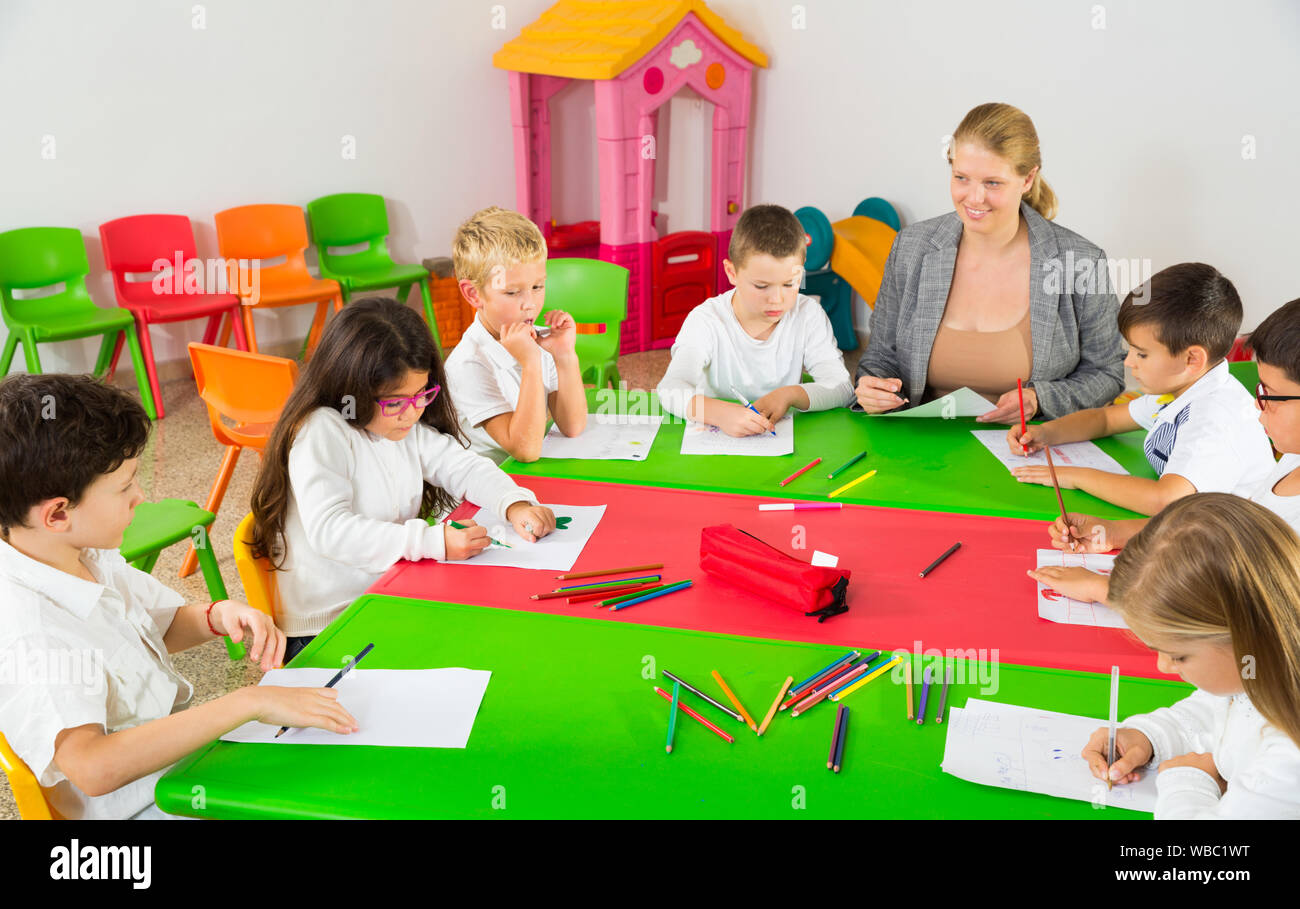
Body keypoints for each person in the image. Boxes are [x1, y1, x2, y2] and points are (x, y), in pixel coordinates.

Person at [0, 374, 356, 819]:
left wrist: (216, 616)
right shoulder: (33, 631)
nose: (140, 496)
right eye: (125, 485)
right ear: (57, 513)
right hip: (144, 808)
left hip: (180, 771)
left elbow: (157, 625)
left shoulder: (83, 554)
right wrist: (246, 702)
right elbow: (92, 766)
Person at [250, 298, 554, 661]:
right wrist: (430, 541)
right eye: (395, 402)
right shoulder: (322, 431)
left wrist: (513, 502)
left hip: (388, 593)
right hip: (329, 628)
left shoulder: (401, 425)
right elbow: (332, 531)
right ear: (352, 390)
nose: (412, 413)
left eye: (422, 394)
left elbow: (463, 466)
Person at [854, 102, 1124, 421]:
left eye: (992, 183)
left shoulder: (1080, 261)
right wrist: (875, 390)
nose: (974, 197)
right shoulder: (912, 248)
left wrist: (1040, 399)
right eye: (961, 177)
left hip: (1027, 449)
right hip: (923, 449)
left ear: (1027, 180)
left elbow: (1107, 374)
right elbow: (880, 358)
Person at [1083, 494, 1300, 819]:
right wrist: (1148, 736)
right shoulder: (1259, 666)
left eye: (1178, 656)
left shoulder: (1288, 759)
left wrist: (1188, 780)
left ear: (1243, 636)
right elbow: (1220, 709)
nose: (1163, 666)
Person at [1010, 263, 1274, 516]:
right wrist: (1046, 433)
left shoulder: (1214, 417)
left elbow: (1165, 500)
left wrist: (1074, 475)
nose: (1128, 362)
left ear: (1192, 359)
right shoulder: (1181, 388)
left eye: (1142, 354)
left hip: (1238, 543)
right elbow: (1106, 419)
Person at [657, 203, 853, 435]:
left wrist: (791, 394)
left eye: (790, 284)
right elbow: (670, 389)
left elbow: (842, 387)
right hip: (712, 445)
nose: (777, 299)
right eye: (762, 286)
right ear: (732, 273)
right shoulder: (706, 320)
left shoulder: (808, 314)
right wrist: (720, 413)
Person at [443, 206, 586, 463]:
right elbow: (525, 451)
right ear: (474, 294)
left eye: (537, 286)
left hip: (525, 481)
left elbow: (572, 426)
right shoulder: (467, 364)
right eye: (512, 292)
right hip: (482, 493)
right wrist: (530, 363)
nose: (530, 303)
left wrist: (564, 355)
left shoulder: (537, 339)